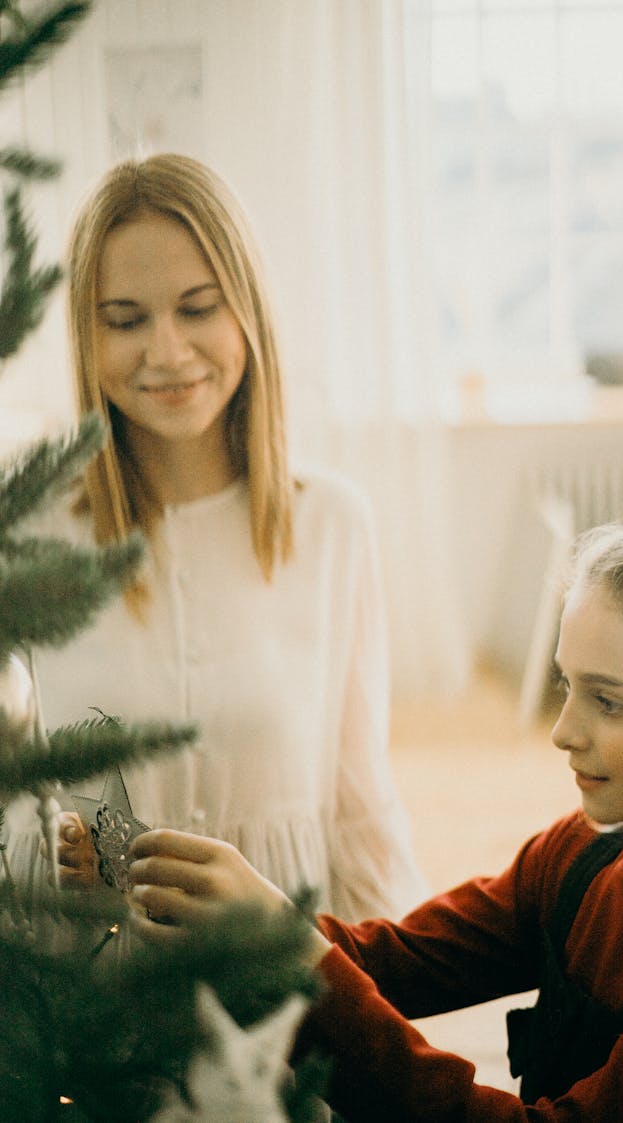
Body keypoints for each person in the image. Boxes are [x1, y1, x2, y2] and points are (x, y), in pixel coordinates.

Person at [127, 480, 623, 1121]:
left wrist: (287, 954)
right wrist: (227, 913)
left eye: (609, 700)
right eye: (567, 685)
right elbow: (398, 959)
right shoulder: (576, 854)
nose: (563, 732)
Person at [8, 152, 425, 924]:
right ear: (86, 338)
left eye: (198, 308)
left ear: (248, 311)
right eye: (126, 319)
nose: (166, 352)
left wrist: (382, 1011)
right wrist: (62, 853)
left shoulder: (333, 524)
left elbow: (359, 801)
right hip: (102, 982)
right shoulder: (29, 530)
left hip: (280, 970)